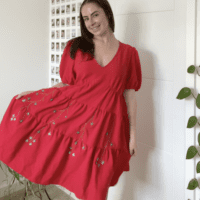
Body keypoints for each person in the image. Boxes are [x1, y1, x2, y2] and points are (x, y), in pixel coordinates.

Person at [0, 0, 142, 200]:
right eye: (85, 18)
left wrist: (133, 135)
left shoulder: (129, 54)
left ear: (107, 14)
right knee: (81, 180)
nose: (91, 22)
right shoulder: (77, 47)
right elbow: (67, 85)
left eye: (95, 14)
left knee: (97, 187)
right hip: (79, 121)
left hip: (107, 127)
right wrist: (38, 93)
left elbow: (130, 94)